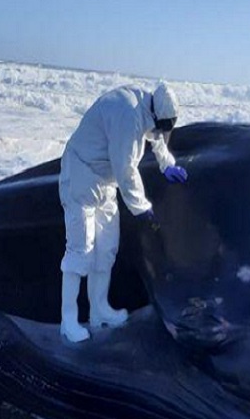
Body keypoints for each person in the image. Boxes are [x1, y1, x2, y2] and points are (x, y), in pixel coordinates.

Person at [58, 83, 188, 342]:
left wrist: (167, 165)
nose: (160, 131)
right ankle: (69, 320)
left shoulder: (146, 108)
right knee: (81, 250)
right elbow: (126, 169)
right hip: (82, 176)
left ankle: (99, 310)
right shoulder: (128, 116)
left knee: (106, 248)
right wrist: (143, 209)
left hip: (105, 182)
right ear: (155, 114)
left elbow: (156, 137)